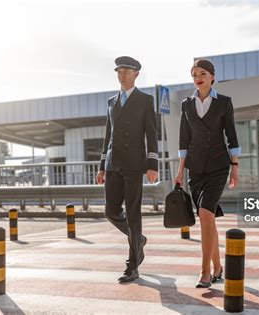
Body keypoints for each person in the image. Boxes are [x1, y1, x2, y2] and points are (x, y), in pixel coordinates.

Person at [174, 59, 241, 288]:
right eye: (194, 74)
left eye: (202, 73)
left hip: (218, 166)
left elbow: (232, 136)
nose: (197, 78)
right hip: (195, 170)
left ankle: (205, 272)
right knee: (207, 218)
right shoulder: (186, 104)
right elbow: (184, 140)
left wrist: (235, 167)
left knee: (205, 213)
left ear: (212, 76)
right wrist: (180, 170)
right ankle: (218, 267)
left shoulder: (223, 103)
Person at [96, 56, 159, 283]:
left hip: (134, 164)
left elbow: (151, 134)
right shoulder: (111, 101)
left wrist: (152, 164)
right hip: (113, 164)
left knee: (133, 215)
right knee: (110, 211)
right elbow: (107, 135)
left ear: (136, 74)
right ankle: (138, 239)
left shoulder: (145, 100)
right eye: (119, 71)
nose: (122, 75)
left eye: (126, 71)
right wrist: (102, 165)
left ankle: (132, 265)